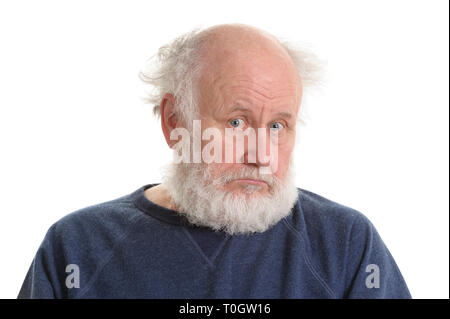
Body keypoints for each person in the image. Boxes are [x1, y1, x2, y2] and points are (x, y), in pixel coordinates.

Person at [18, 24, 411, 298]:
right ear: (174, 122)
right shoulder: (76, 247)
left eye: (277, 125)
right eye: (236, 122)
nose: (261, 156)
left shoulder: (345, 244)